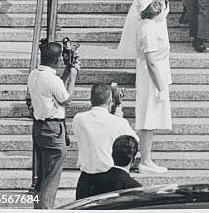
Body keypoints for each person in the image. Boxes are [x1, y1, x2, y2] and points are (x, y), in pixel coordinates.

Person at [27, 41, 79, 209]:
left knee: (42, 174)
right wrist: (74, 75)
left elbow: (55, 88)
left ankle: (39, 208)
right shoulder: (52, 80)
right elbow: (66, 99)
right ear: (57, 60)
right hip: (53, 130)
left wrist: (66, 72)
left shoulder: (34, 74)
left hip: (39, 128)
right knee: (52, 176)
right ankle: (46, 208)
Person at [72, 84, 138, 200]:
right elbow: (134, 141)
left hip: (85, 178)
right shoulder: (119, 122)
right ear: (110, 101)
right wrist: (117, 107)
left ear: (91, 99)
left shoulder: (79, 119)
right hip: (108, 178)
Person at [135, 0, 173, 174]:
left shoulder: (151, 25)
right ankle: (145, 160)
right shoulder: (149, 29)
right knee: (148, 117)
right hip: (152, 77)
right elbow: (150, 61)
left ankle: (147, 158)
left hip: (155, 74)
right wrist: (160, 87)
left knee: (150, 117)